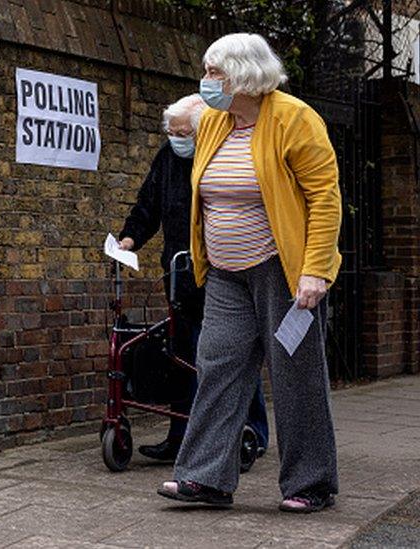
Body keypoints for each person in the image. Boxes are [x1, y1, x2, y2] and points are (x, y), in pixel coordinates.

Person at [156, 33, 341, 513]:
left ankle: (311, 482)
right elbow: (185, 118)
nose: (207, 81)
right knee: (218, 367)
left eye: (215, 72)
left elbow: (324, 199)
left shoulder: (296, 119)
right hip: (226, 273)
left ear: (243, 74)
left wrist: (315, 270)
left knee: (295, 374)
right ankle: (206, 478)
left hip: (283, 271)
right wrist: (185, 113)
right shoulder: (219, 121)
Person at [117, 94, 269, 464]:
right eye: (171, 132)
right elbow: (148, 204)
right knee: (182, 354)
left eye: (182, 132)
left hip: (220, 270)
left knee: (228, 355)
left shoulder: (219, 156)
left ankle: (252, 431)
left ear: (202, 131)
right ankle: (181, 435)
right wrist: (130, 237)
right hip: (180, 272)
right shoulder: (168, 158)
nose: (175, 138)